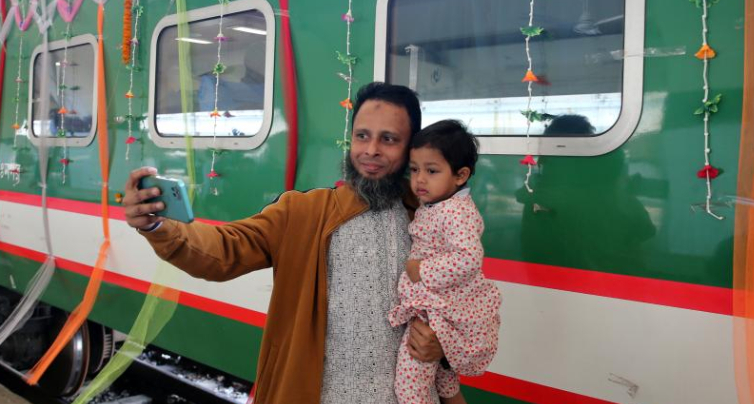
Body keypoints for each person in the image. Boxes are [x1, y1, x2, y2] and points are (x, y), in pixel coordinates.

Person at [122, 82, 456, 404]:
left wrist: (443, 345)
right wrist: (158, 227)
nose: (371, 150)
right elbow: (225, 250)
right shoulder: (304, 212)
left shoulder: (432, 224)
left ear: (411, 147)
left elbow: (467, 315)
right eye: (362, 136)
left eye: (389, 139)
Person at [388, 120, 501, 404]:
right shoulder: (440, 204)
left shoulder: (455, 212)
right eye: (414, 169)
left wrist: (421, 270)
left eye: (432, 170)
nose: (419, 180)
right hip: (435, 305)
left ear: (460, 175)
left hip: (439, 309)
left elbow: (469, 257)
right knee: (444, 381)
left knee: (410, 388)